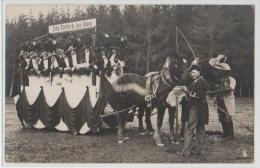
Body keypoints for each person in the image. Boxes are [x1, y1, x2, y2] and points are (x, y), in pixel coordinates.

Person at [181, 64, 209, 157]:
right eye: (191, 73)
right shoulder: (197, 81)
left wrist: (186, 91)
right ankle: (200, 151)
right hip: (202, 109)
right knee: (200, 129)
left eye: (193, 72)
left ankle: (186, 151)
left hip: (196, 108)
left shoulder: (202, 82)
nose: (191, 74)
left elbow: (198, 96)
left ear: (199, 72)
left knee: (189, 129)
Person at [208, 54, 236, 140]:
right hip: (220, 101)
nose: (221, 73)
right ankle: (225, 133)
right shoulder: (219, 81)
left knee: (228, 117)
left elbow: (229, 89)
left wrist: (214, 91)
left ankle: (230, 135)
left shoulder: (231, 80)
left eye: (223, 72)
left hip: (228, 102)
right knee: (221, 117)